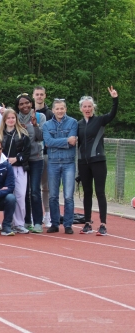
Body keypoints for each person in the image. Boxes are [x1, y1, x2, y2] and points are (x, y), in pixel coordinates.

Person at [78, 87, 118, 236]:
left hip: (98, 161)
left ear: (93, 108)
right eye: (85, 107)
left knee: (100, 192)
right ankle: (87, 223)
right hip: (83, 163)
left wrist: (115, 99)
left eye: (90, 106)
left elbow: (113, 114)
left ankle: (103, 224)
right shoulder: (78, 124)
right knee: (87, 192)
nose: (87, 109)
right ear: (81, 109)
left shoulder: (100, 120)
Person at [42, 99, 78, 234]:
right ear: (53, 110)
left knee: (68, 196)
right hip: (53, 163)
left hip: (69, 162)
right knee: (53, 196)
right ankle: (55, 223)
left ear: (66, 109)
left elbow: (73, 141)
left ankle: (68, 224)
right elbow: (48, 142)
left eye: (62, 108)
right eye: (57, 109)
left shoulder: (73, 122)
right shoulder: (46, 125)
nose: (60, 111)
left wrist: (56, 142)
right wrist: (66, 140)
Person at [0, 109, 31, 234]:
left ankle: (19, 223)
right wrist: (5, 160)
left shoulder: (23, 134)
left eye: (13, 118)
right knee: (6, 195)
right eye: (8, 118)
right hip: (4, 169)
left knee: (20, 195)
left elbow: (27, 152)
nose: (11, 120)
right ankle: (7, 222)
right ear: (4, 120)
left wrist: (16, 159)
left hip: (19, 168)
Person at [15, 93, 46, 233]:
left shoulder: (39, 117)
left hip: (36, 158)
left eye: (26, 103)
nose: (24, 106)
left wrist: (36, 125)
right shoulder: (14, 118)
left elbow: (41, 138)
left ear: (31, 103)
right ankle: (27, 220)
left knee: (35, 191)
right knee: (23, 191)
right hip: (22, 160)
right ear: (18, 107)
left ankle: (38, 222)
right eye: (21, 104)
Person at [33, 86, 54, 227]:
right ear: (33, 96)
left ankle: (47, 214)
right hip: (32, 155)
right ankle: (30, 215)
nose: (39, 96)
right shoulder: (26, 111)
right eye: (37, 94)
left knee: (46, 187)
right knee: (32, 187)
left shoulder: (50, 114)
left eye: (42, 94)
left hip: (45, 154)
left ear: (45, 96)